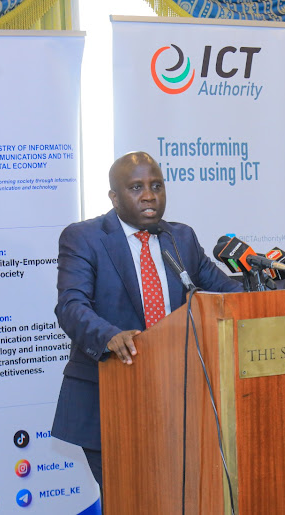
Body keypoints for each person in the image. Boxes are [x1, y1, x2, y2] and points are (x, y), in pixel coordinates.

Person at [51, 151, 242, 490]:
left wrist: (265, 286)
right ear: (114, 196)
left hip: (179, 397)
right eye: (136, 187)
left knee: (180, 497)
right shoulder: (85, 237)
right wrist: (108, 336)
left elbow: (223, 292)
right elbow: (70, 305)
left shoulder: (180, 238)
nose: (150, 195)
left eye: (156, 185)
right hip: (110, 397)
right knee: (129, 499)